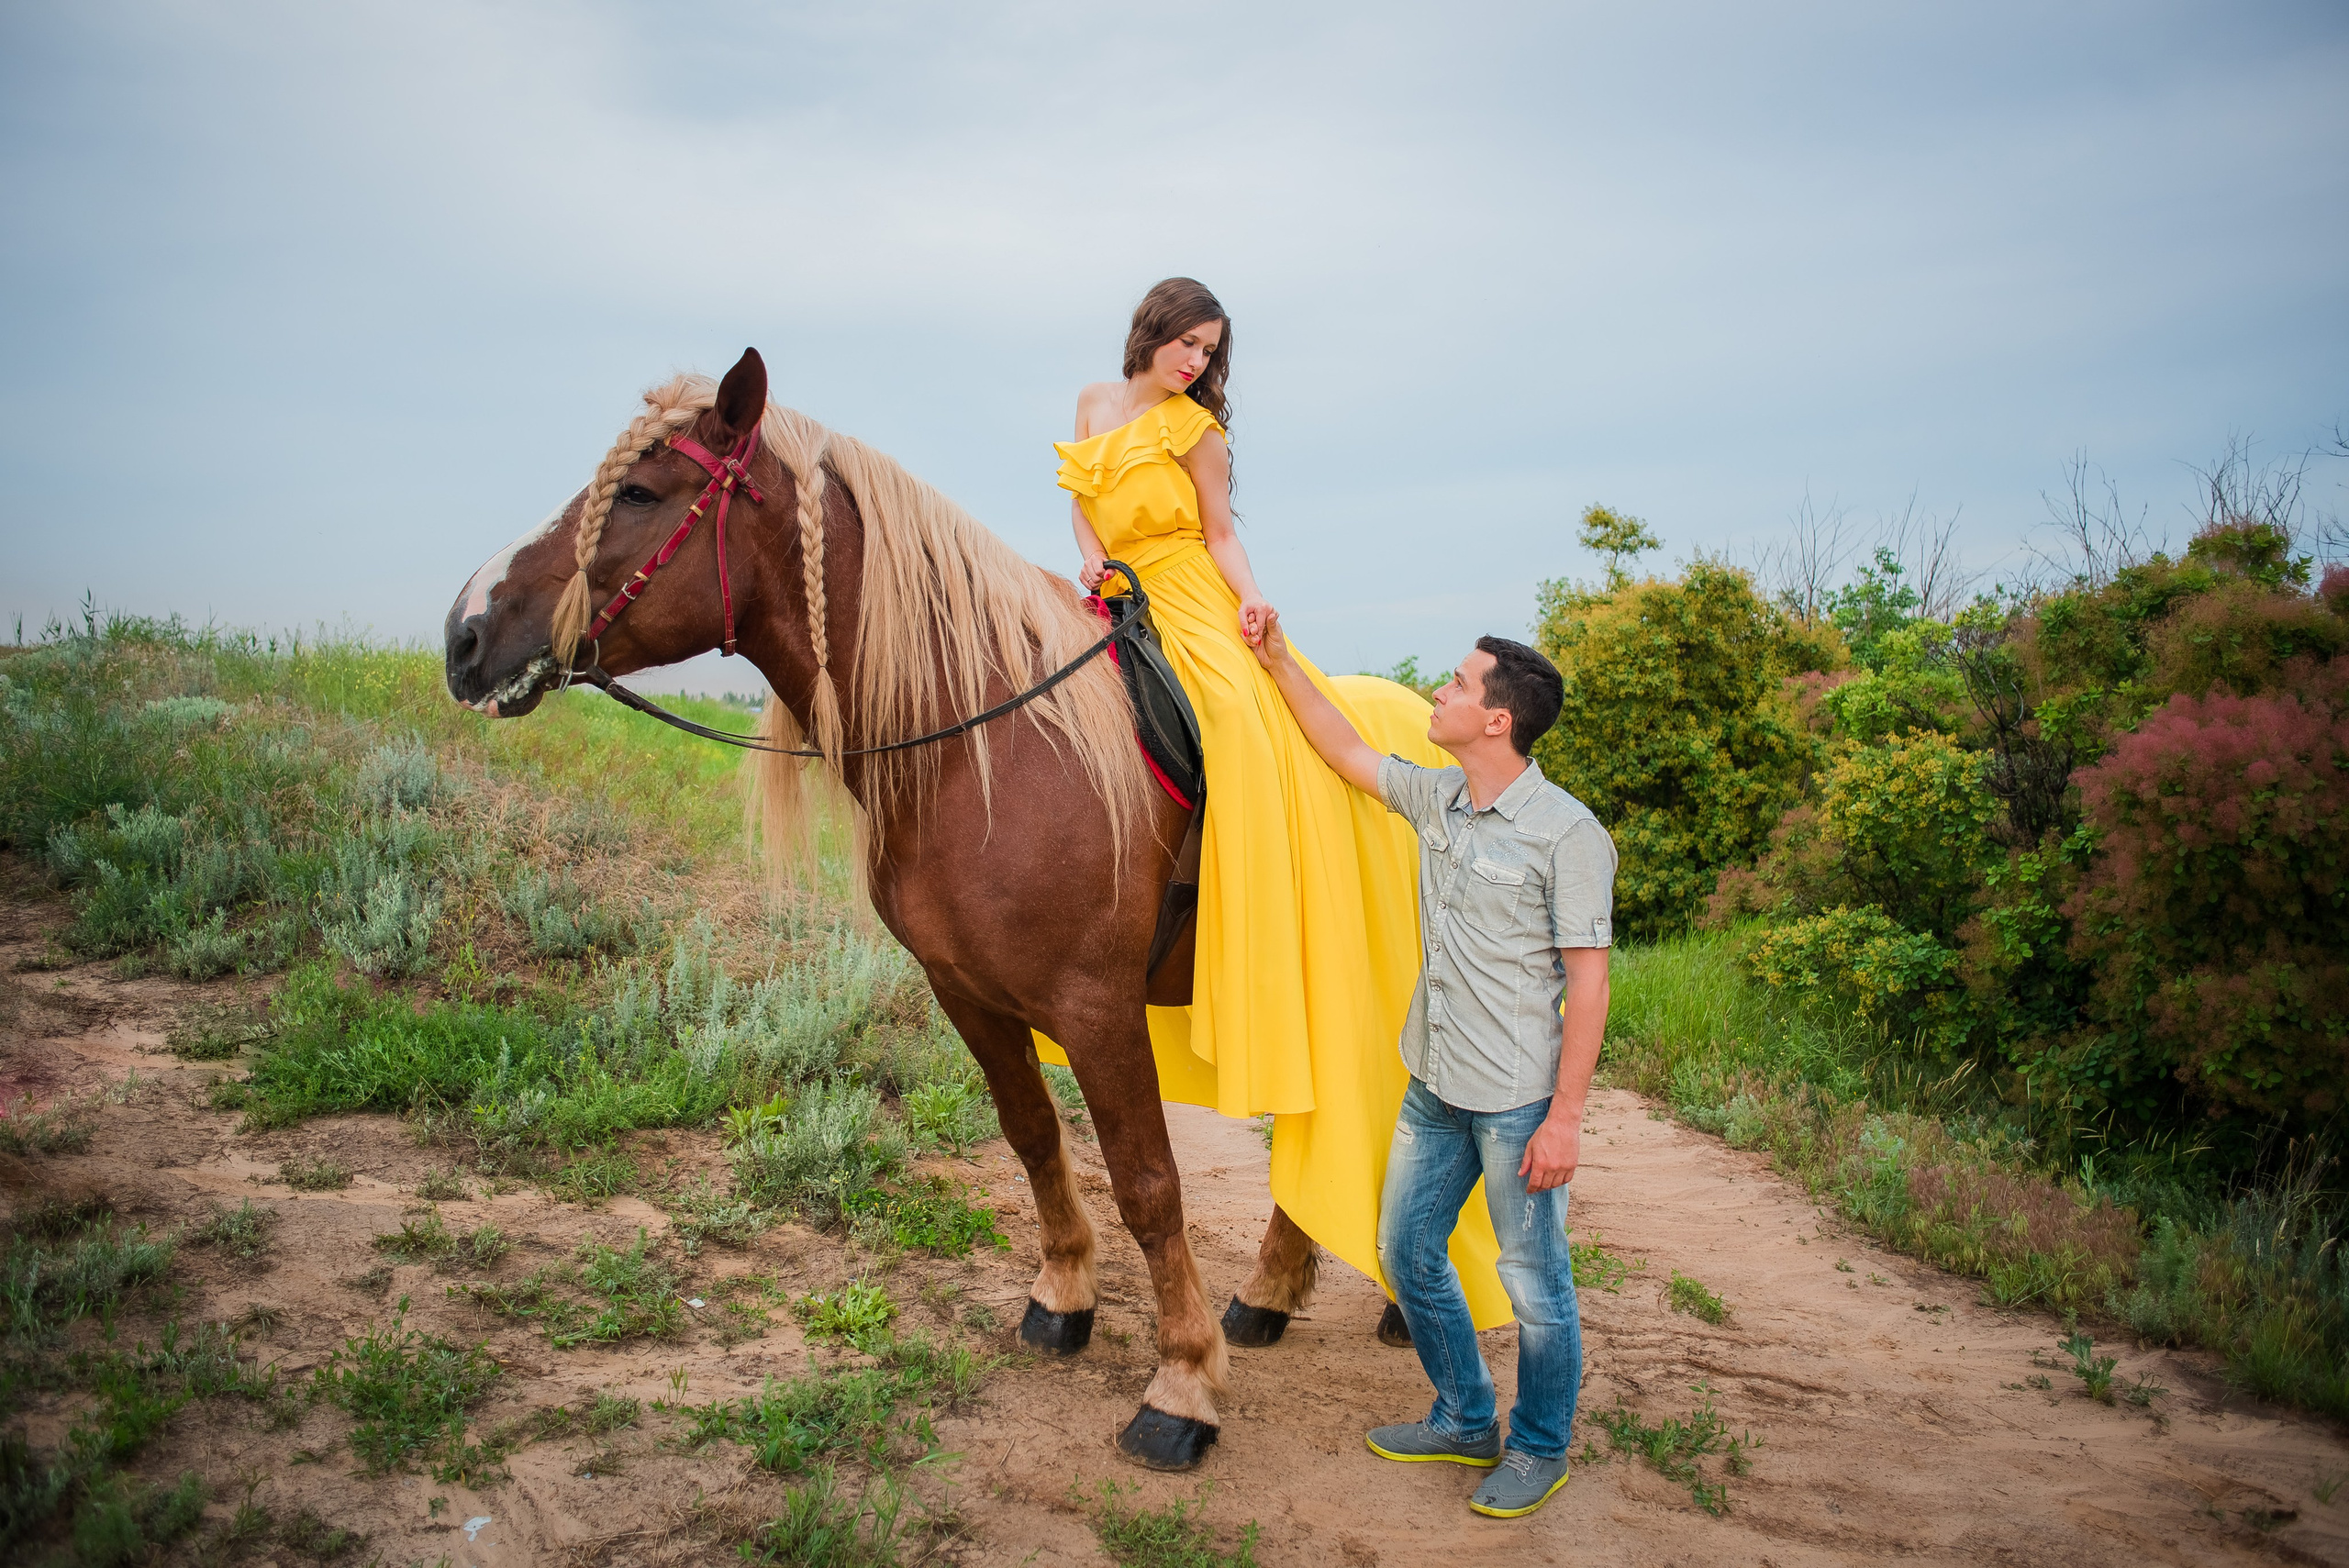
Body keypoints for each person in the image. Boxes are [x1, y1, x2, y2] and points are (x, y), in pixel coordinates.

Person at [1044, 278, 1510, 1328]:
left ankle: (1248, 890)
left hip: (1196, 598)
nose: (1196, 364)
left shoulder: (1195, 430)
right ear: (1152, 334)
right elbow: (1081, 506)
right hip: (1116, 593)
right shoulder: (1091, 403)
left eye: (1211, 353)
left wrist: (1247, 594)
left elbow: (1216, 533)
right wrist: (1090, 566)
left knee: (1240, 730)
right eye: (1186, 345)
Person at [1252, 612, 1616, 1520]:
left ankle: (1538, 1445)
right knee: (1405, 1251)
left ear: (1498, 719)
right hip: (1434, 1083)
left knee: (1537, 1283)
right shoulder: (1438, 799)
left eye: (1456, 684)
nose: (1440, 693)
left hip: (1515, 1103)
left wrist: (1564, 1117)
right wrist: (1276, 656)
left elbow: (1590, 981)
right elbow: (1341, 747)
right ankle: (1463, 1414)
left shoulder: (1568, 835)